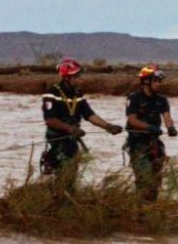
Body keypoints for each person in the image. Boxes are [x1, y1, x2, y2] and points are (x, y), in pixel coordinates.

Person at [41, 58, 123, 189]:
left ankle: (66, 196)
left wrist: (108, 126)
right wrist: (70, 129)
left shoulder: (78, 93)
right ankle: (59, 197)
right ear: (67, 78)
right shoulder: (52, 93)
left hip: (72, 140)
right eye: (77, 76)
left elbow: (89, 115)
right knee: (62, 173)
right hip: (57, 139)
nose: (80, 79)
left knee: (71, 174)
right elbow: (49, 119)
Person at [124, 64, 178, 201]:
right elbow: (132, 120)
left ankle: (151, 208)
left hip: (155, 145)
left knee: (156, 181)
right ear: (146, 82)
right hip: (137, 145)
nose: (158, 84)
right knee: (144, 179)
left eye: (159, 81)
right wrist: (149, 127)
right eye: (155, 81)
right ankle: (141, 211)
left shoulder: (162, 99)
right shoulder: (134, 98)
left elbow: (167, 117)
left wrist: (171, 128)